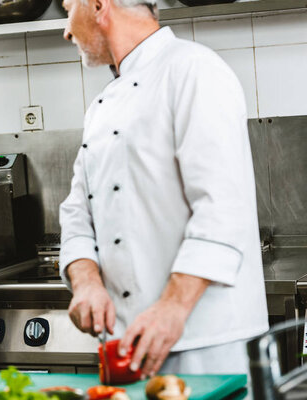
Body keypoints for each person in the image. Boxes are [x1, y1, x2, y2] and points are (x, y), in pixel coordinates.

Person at [59, 0, 269, 377]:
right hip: (128, 344)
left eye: (66, 7)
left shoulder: (195, 71)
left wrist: (172, 307)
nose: (66, 30)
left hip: (205, 344)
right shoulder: (100, 108)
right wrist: (86, 282)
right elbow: (77, 212)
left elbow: (222, 207)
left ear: (97, 5)